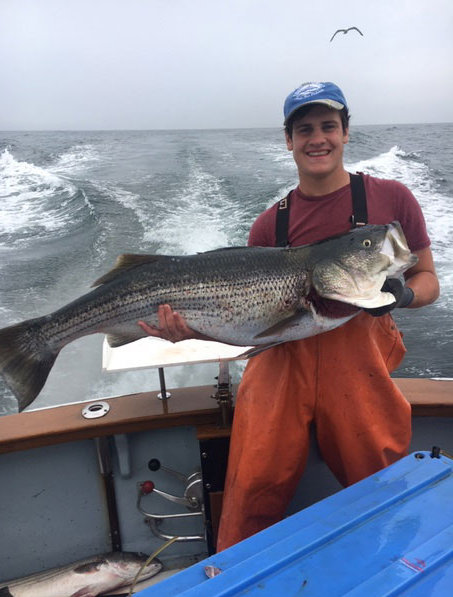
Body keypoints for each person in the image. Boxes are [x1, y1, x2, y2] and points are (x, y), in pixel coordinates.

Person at [139, 82, 440, 552]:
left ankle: (393, 569)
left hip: (357, 367)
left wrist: (399, 297)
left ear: (345, 133)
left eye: (328, 126)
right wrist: (187, 329)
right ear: (288, 140)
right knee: (251, 487)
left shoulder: (392, 201)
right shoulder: (268, 224)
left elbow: (428, 281)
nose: (317, 138)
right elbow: (246, 316)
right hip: (280, 362)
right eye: (304, 129)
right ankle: (236, 581)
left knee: (382, 484)